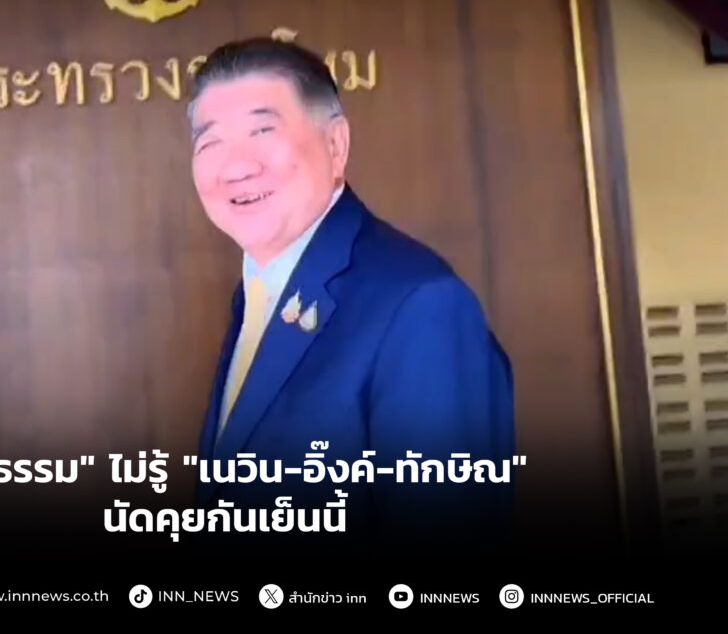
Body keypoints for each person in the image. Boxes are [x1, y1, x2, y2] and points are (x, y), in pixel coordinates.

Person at [186, 38, 516, 554]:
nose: (236, 166)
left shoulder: (419, 305)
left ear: (336, 144)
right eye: (211, 143)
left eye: (262, 131)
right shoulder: (260, 291)